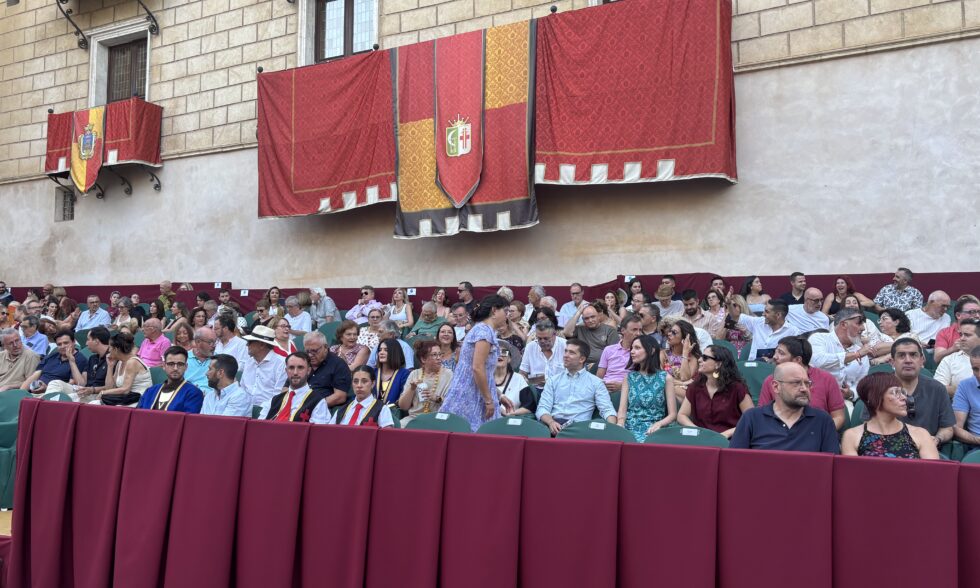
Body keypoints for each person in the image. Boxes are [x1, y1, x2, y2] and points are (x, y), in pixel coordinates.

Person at [441, 295, 514, 432]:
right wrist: (489, 400)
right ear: (494, 310)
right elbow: (477, 368)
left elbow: (483, 372)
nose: (507, 315)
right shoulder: (484, 332)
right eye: (505, 311)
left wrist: (498, 395)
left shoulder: (481, 329)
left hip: (472, 392)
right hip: (471, 395)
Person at [730, 362, 840, 453]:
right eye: (796, 383)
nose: (804, 389)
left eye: (807, 383)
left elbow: (832, 465)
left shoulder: (822, 420)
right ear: (776, 386)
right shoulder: (752, 418)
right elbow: (735, 462)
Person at [861, 339, 955, 446]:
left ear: (922, 360)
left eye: (913, 355)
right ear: (892, 361)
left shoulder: (937, 389)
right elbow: (868, 424)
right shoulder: (877, 388)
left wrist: (937, 439)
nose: (908, 360)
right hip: (886, 449)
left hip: (926, 449)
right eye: (901, 356)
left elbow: (947, 428)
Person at [841, 372, 940, 458]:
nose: (904, 398)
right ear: (875, 397)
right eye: (895, 392)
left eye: (902, 392)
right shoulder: (852, 436)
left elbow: (932, 472)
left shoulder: (921, 435)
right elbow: (853, 473)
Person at [758, 335, 846, 430]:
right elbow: (763, 416)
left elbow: (838, 417)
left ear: (797, 360)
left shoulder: (826, 379)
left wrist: (820, 433)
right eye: (776, 352)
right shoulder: (771, 381)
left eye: (781, 353)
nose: (775, 357)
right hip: (780, 434)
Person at [535, 339, 617, 436]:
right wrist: (551, 422)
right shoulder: (553, 381)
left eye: (571, 353)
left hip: (579, 429)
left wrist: (613, 430)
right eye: (566, 351)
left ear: (582, 359)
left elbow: (607, 410)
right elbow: (542, 408)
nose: (565, 355)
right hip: (552, 426)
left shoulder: (596, 382)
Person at [676, 345, 752, 437]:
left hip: (729, 439)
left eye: (705, 358)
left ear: (718, 364)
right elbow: (682, 415)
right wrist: (697, 431)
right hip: (702, 439)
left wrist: (726, 434)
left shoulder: (737, 388)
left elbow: (751, 419)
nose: (699, 360)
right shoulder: (696, 386)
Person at [616, 335, 676, 442]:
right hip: (629, 427)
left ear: (652, 350)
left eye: (637, 348)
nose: (632, 351)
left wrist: (659, 424)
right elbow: (622, 411)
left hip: (654, 428)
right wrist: (620, 423)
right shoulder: (629, 377)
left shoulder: (666, 378)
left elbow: (672, 415)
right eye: (632, 348)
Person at [808, 309, 873, 395]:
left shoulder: (862, 352)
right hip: (816, 394)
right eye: (859, 323)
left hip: (844, 400)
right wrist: (856, 354)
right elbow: (818, 361)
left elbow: (861, 383)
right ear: (843, 324)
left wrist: (851, 393)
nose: (863, 328)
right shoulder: (819, 338)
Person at [311, 366, 394, 427]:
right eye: (355, 381)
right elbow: (329, 433)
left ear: (373, 384)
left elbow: (386, 437)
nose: (359, 385)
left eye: (364, 381)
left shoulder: (382, 409)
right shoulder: (341, 410)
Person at [399, 340, 453, 425]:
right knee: (397, 427)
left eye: (440, 354)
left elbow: (453, 404)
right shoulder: (414, 374)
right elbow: (403, 406)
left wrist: (436, 398)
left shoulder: (448, 374)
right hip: (415, 418)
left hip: (438, 419)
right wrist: (412, 389)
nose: (439, 358)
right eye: (434, 355)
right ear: (423, 359)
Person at [136, 347, 204, 413]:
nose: (175, 368)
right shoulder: (150, 391)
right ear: (164, 366)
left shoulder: (193, 393)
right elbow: (138, 415)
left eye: (180, 364)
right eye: (171, 364)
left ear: (186, 367)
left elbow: (189, 419)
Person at [20, 330, 88, 395]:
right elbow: (35, 375)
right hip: (37, 390)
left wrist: (46, 388)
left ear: (73, 342)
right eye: (59, 344)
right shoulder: (52, 356)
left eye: (66, 343)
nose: (62, 346)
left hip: (56, 394)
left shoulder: (79, 359)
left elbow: (72, 384)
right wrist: (21, 392)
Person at [259, 352, 322, 421]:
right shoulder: (273, 401)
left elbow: (319, 427)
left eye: (300, 368)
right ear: (286, 371)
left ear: (308, 371)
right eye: (291, 368)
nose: (295, 373)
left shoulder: (318, 402)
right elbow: (259, 425)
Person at [95, 332, 151, 406]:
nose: (109, 350)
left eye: (110, 347)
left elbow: (125, 390)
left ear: (116, 349)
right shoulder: (120, 362)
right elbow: (109, 387)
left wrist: (103, 392)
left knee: (99, 405)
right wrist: (110, 366)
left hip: (140, 401)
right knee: (95, 404)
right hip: (125, 400)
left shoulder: (132, 362)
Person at [239, 324, 287, 405]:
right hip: (245, 408)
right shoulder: (249, 362)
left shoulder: (281, 364)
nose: (247, 345)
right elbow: (242, 390)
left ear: (262, 345)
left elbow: (278, 396)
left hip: (268, 410)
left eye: (250, 342)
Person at [304, 331, 351, 408]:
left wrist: (313, 406)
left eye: (314, 351)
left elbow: (340, 397)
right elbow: (287, 388)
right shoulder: (302, 362)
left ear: (325, 347)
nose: (310, 355)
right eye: (307, 351)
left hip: (322, 409)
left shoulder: (338, 364)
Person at [597, 316, 643, 393]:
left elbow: (644, 378)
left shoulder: (642, 351)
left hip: (629, 389)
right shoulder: (608, 350)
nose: (638, 333)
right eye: (634, 330)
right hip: (605, 389)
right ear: (623, 330)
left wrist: (622, 386)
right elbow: (599, 376)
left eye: (640, 330)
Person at [934, 319, 979, 397]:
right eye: (961, 334)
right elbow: (937, 387)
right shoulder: (949, 360)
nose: (962, 338)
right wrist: (965, 391)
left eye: (967, 335)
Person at [519, 320, 566, 388]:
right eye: (539, 338)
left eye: (546, 338)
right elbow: (522, 373)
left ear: (554, 335)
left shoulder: (565, 346)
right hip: (537, 389)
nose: (542, 341)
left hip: (561, 389)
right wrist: (526, 381)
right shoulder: (530, 347)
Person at [70, 326, 111, 401]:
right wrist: (71, 361)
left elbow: (112, 387)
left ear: (96, 341)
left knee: (68, 398)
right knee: (56, 384)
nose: (86, 343)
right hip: (86, 392)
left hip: (100, 395)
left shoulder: (113, 358)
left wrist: (93, 390)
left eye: (88, 339)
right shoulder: (92, 358)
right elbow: (82, 384)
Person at [492, 345, 534, 417]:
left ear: (509, 359)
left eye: (504, 352)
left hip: (510, 420)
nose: (500, 355)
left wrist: (511, 413)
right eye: (496, 352)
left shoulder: (519, 379)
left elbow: (529, 406)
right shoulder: (483, 379)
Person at [935, 296, 980, 362]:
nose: (977, 316)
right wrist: (953, 349)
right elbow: (937, 359)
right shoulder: (945, 333)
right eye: (972, 312)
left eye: (979, 312)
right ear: (958, 315)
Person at [952, 347, 980, 451]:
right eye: (975, 369)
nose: (979, 375)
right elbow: (956, 427)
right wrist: (977, 440)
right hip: (977, 447)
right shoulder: (965, 386)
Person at [660, 319, 700, 385]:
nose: (669, 334)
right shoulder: (663, 354)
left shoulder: (692, 358)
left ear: (684, 337)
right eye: (670, 331)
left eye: (674, 332)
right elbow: (659, 378)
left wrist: (685, 353)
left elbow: (684, 378)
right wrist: (680, 383)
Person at [372, 338, 411, 406]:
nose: (381, 353)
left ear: (395, 353)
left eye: (386, 350)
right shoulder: (372, 372)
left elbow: (403, 400)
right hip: (372, 411)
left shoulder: (405, 374)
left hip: (394, 411)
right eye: (380, 350)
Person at [0, 327, 40, 391]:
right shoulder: (1, 355)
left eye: (17, 340)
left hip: (14, 392)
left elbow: (32, 383)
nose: (15, 345)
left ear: (21, 340)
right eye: (10, 343)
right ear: (4, 346)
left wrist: (9, 387)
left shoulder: (31, 356)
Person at [185, 327, 217, 393]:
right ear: (198, 342)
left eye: (215, 342)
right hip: (189, 395)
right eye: (210, 342)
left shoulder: (218, 359)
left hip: (212, 397)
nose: (214, 346)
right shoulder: (184, 358)